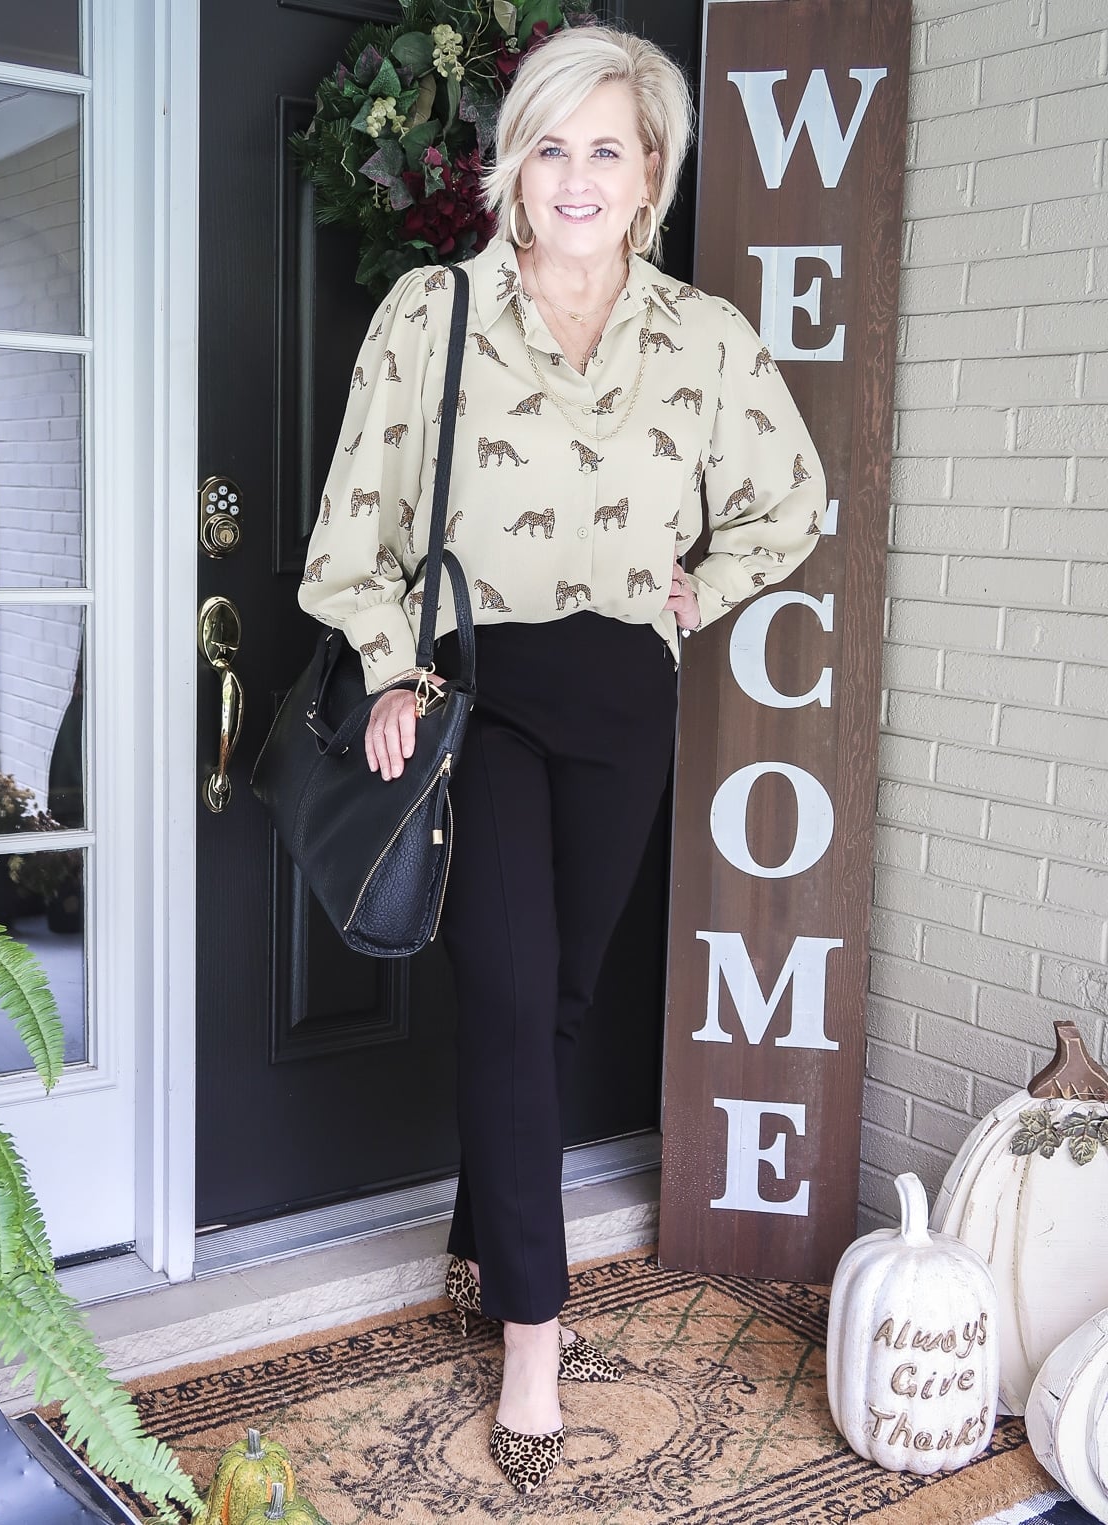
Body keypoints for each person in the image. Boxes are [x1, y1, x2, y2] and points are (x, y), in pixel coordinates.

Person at [297, 24, 827, 1494]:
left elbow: (795, 501)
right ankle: (536, 1324)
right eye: (553, 146)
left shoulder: (703, 337)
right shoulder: (435, 313)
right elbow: (357, 532)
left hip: (620, 698)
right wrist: (392, 663)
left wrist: (697, 595)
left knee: (561, 994)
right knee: (516, 984)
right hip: (482, 692)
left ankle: (484, 1230)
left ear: (650, 173)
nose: (579, 176)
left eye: (610, 148)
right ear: (511, 171)